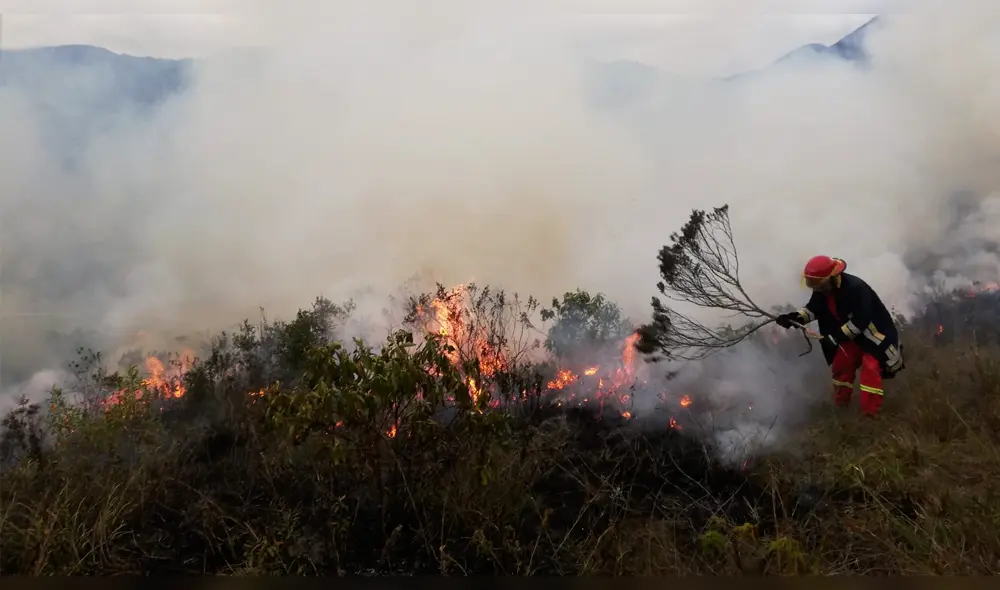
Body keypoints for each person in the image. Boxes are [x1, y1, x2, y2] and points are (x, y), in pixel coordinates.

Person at [774, 255, 904, 416]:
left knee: (870, 369)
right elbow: (813, 309)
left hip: (874, 335)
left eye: (818, 285)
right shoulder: (823, 290)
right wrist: (796, 317)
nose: (816, 289)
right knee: (841, 366)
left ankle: (871, 415)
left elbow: (860, 321)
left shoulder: (857, 289)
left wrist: (835, 338)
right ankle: (841, 407)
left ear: (832, 278)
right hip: (850, 337)